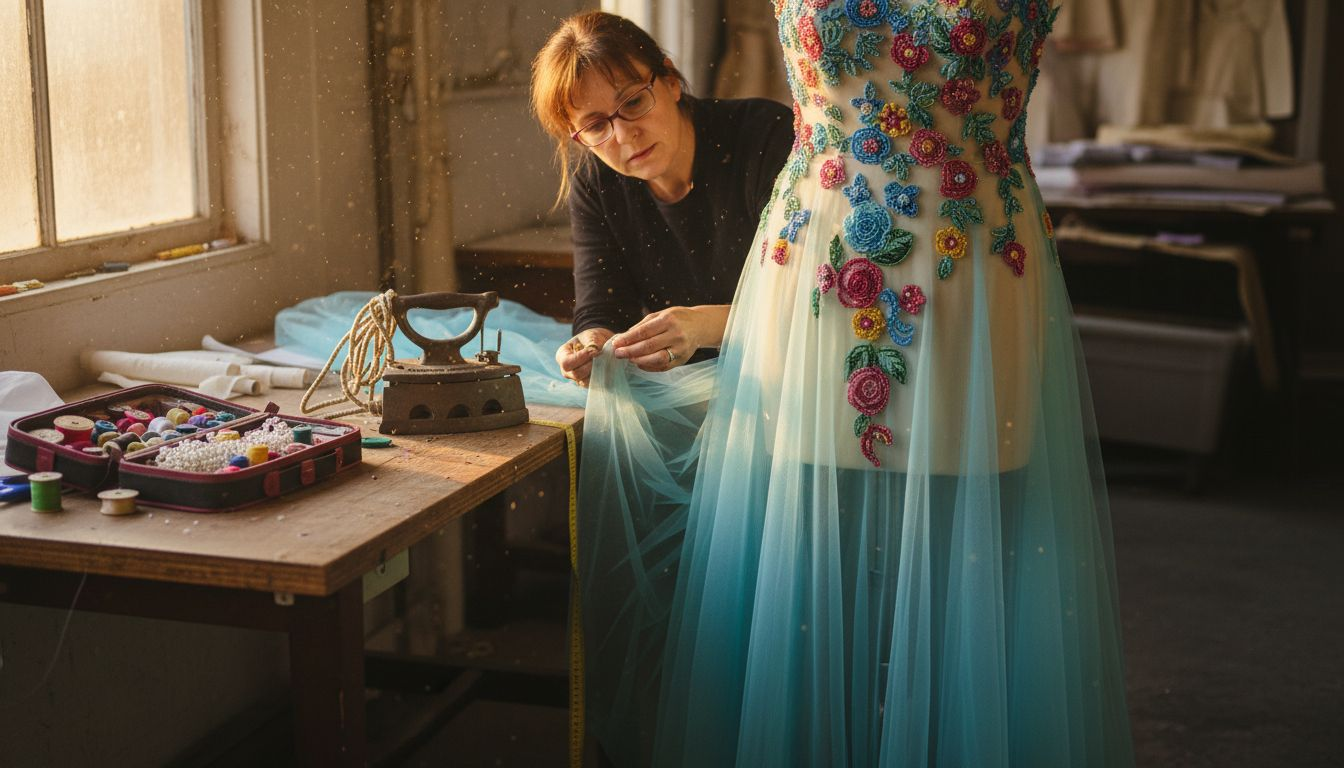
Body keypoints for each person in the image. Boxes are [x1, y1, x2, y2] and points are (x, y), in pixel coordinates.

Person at [573, 0, 1137, 766]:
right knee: (804, 566)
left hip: (973, 269)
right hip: (815, 274)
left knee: (970, 564)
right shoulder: (604, 184)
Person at [530, 11, 793, 388]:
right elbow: (603, 304)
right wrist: (592, 343)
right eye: (596, 126)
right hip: (684, 385)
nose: (623, 136)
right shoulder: (596, 183)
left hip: (786, 376)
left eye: (634, 103)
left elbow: (805, 303)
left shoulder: (764, 136)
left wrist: (705, 325)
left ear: (670, 81)